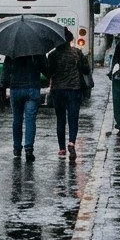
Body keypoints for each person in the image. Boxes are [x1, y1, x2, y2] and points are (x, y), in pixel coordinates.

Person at [47, 28, 90, 162]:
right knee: (73, 118)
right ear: (70, 39)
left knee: (60, 119)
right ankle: (71, 142)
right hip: (74, 89)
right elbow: (86, 70)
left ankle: (61, 148)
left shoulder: (53, 55)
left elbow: (49, 72)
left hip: (58, 90)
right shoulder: (77, 53)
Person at [0, 53, 48, 162]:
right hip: (32, 88)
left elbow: (6, 70)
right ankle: (29, 149)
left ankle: (17, 148)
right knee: (30, 119)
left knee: (17, 119)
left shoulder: (12, 50)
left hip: (15, 89)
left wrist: (2, 87)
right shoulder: (37, 50)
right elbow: (45, 68)